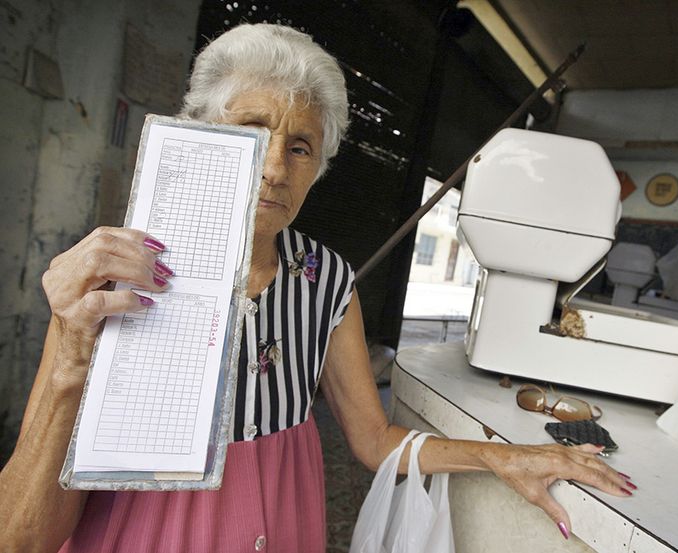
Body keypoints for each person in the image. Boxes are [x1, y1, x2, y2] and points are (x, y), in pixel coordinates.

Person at [0, 24, 634, 552]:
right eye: (252, 128)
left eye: (300, 147)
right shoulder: (116, 276)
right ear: (202, 136)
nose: (275, 167)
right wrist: (69, 358)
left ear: (319, 167)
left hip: (281, 524)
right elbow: (20, 538)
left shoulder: (326, 280)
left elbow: (373, 439)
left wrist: (504, 457)